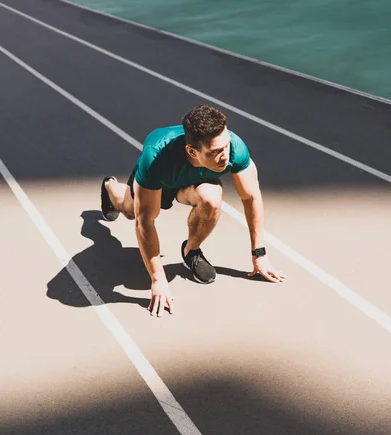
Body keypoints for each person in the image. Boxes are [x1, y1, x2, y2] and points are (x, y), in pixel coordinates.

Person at [100, 104, 285, 317]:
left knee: (212, 199)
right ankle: (109, 187)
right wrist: (158, 279)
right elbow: (145, 223)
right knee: (131, 210)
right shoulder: (155, 160)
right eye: (215, 152)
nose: (225, 156)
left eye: (225, 147)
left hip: (193, 182)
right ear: (192, 151)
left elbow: (251, 197)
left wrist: (259, 255)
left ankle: (191, 251)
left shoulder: (234, 146)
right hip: (162, 179)